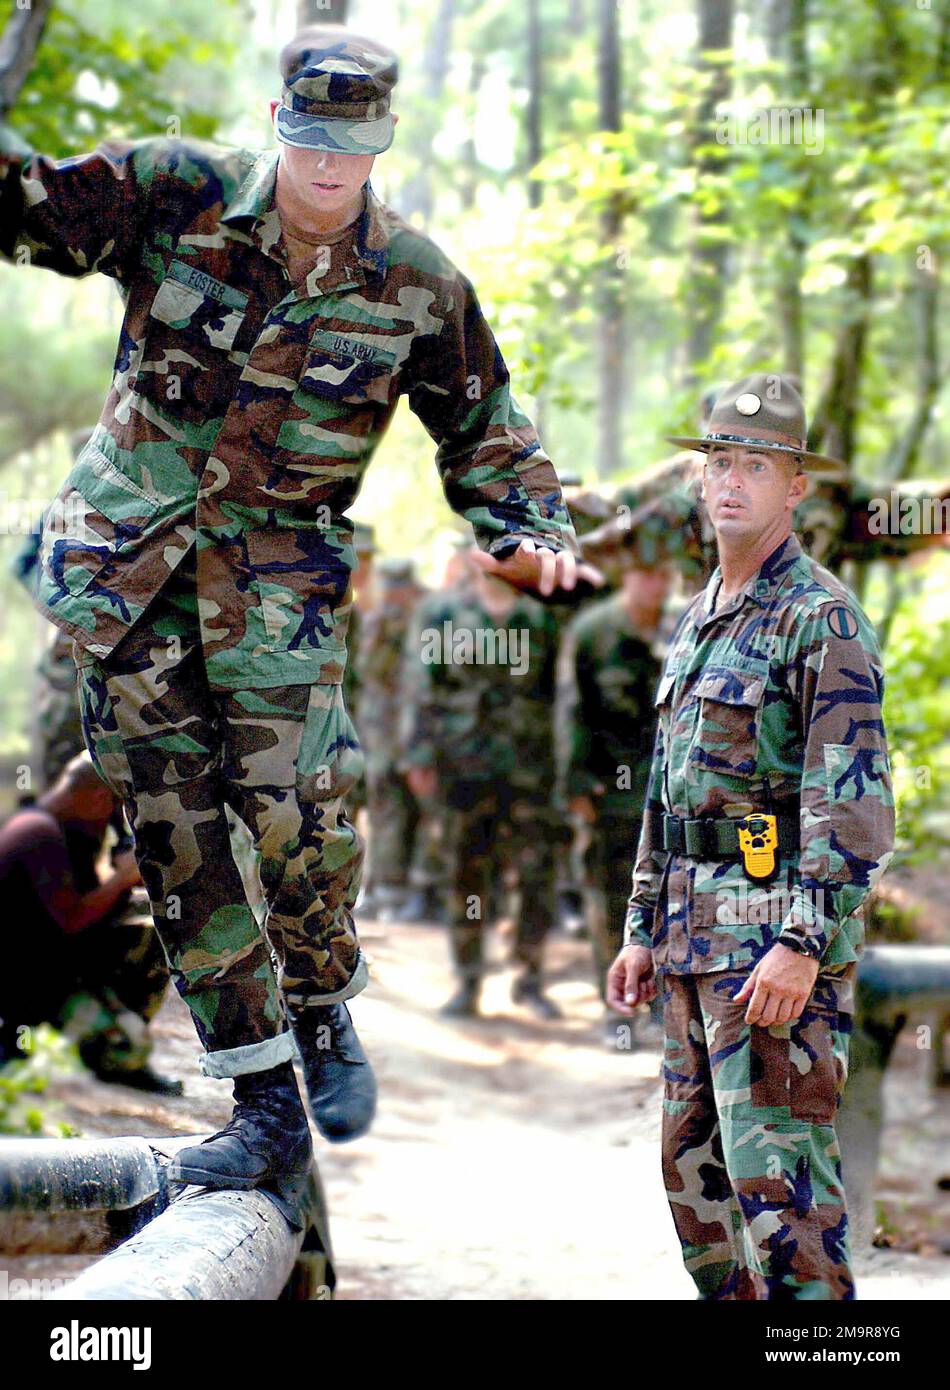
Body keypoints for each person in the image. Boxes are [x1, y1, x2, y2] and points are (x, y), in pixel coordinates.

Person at [0, 24, 597, 1193]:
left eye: (352, 148)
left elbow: (487, 431)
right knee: (175, 835)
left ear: (380, 145)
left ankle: (323, 1003)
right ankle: (262, 1095)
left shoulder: (417, 281)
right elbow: (31, 213)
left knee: (298, 814)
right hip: (126, 574)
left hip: (273, 591)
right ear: (278, 124)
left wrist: (528, 533)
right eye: (309, 141)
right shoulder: (172, 192)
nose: (327, 169)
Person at [607, 374, 895, 1300]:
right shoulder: (700, 618)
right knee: (700, 1203)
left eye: (758, 465)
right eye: (721, 462)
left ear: (796, 487)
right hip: (694, 945)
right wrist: (641, 926)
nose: (732, 481)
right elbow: (668, 790)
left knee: (787, 1214)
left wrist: (803, 944)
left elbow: (852, 809)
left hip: (772, 954)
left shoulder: (821, 619)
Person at [402, 553, 563, 1019]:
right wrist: (417, 755)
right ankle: (469, 980)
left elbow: (559, 694)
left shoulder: (540, 616)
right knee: (466, 874)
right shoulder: (442, 614)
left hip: (530, 769)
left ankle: (530, 978)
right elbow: (421, 687)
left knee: (536, 875)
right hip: (461, 766)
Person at [0, 752, 178, 1093]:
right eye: (114, 804)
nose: (114, 817)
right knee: (146, 935)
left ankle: (115, 1052)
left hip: (47, 968)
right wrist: (121, 880)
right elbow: (71, 921)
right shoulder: (38, 834)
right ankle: (107, 1050)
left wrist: (123, 879)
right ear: (97, 796)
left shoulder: (58, 827)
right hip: (25, 983)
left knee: (150, 931)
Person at [557, 549, 671, 1045]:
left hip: (672, 797)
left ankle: (670, 1011)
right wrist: (576, 785)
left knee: (675, 903)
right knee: (610, 902)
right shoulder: (594, 632)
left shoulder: (689, 625)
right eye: (646, 571)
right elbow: (573, 711)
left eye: (662, 573)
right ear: (631, 573)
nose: (654, 584)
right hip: (613, 796)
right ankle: (619, 1014)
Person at [357, 557, 427, 920]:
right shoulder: (380, 622)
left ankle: (413, 891)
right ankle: (385, 888)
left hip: (416, 729)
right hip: (384, 730)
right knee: (387, 808)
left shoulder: (426, 617)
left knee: (418, 810)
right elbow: (371, 672)